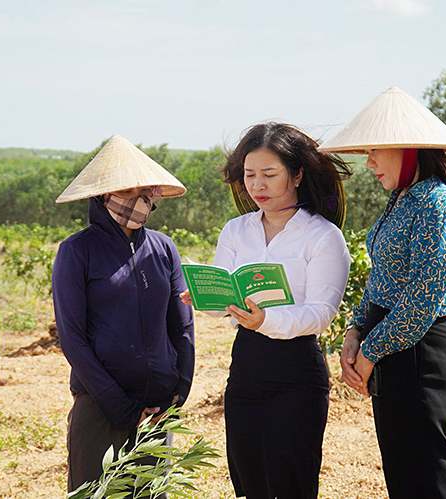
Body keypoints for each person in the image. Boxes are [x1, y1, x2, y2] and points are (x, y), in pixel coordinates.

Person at [318, 86, 446, 499]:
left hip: (420, 356)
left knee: (426, 473)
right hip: (393, 353)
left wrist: (370, 351)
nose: (369, 161)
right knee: (402, 471)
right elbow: (383, 279)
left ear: (408, 148)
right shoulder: (401, 197)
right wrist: (355, 332)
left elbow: (421, 301)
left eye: (376, 150)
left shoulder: (436, 202)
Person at [183, 123, 352, 499]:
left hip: (297, 374)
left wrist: (267, 319)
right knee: (248, 480)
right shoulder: (235, 231)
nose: (257, 185)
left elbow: (321, 313)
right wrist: (203, 297)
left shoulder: (322, 236)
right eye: (249, 175)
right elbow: (224, 304)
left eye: (269, 174)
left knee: (291, 481)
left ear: (297, 174)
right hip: (245, 370)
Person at [52, 135, 196, 495]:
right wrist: (121, 407)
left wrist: (179, 390)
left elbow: (182, 325)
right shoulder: (77, 251)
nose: (141, 201)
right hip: (102, 408)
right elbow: (72, 338)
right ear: (104, 196)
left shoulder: (163, 248)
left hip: (158, 410)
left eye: (146, 191)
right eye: (128, 191)